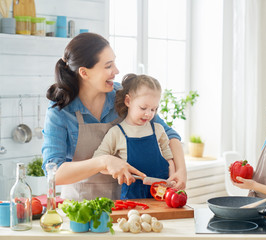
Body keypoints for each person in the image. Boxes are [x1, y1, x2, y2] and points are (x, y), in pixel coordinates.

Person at [41, 32, 186, 201]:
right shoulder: (60, 111)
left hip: (127, 203)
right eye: (108, 66)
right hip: (81, 206)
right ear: (84, 73)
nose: (116, 71)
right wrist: (103, 161)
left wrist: (181, 170)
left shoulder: (123, 96)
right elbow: (53, 174)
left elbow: (169, 135)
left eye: (114, 63)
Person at [93, 73, 175, 199]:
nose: (148, 114)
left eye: (153, 109)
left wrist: (172, 179)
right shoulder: (116, 132)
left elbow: (169, 157)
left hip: (161, 194)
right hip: (133, 197)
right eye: (143, 108)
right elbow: (98, 161)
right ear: (128, 101)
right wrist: (117, 171)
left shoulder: (158, 130)